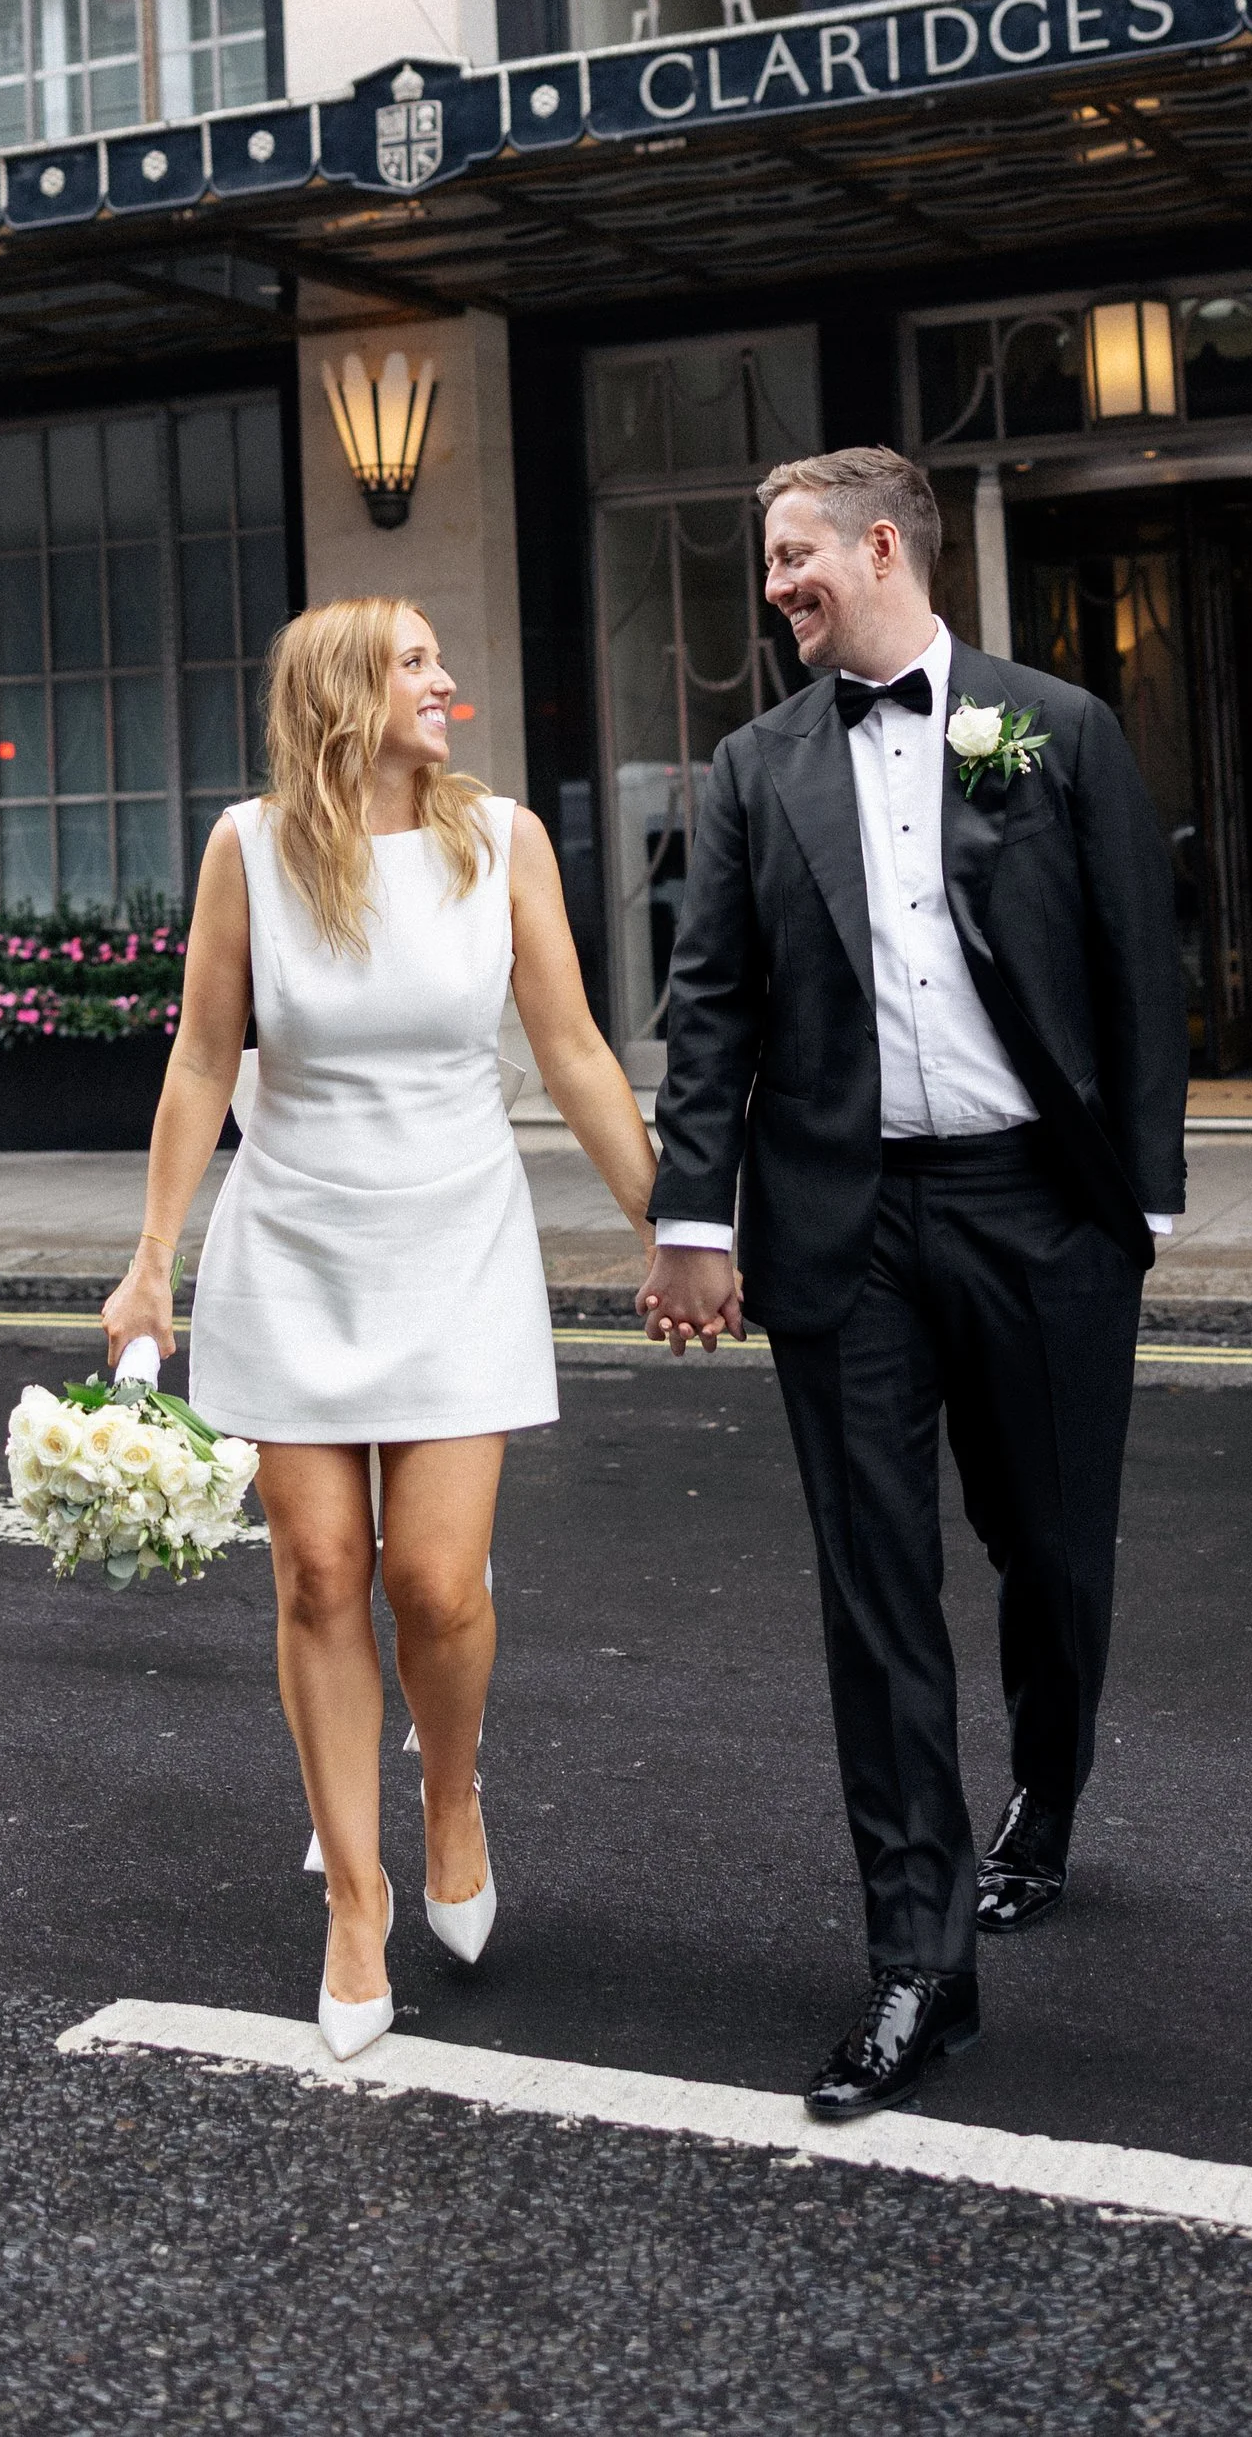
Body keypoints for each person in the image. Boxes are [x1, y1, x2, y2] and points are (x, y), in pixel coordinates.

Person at [642, 448, 1187, 2124]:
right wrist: (695, 1217)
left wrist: (1143, 1198)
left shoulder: (1057, 727)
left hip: (1040, 1206)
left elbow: (1132, 965)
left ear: (885, 546)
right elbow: (710, 1001)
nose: (777, 586)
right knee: (877, 1592)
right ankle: (917, 1962)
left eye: (797, 554)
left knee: (1050, 1545)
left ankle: (1050, 1793)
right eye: (769, 560)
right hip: (844, 1224)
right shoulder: (751, 769)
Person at [103, 594, 658, 2064]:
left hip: (456, 1245)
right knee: (318, 1575)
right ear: (345, 688)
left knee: (437, 1582)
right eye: (418, 659)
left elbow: (576, 1050)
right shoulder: (250, 850)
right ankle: (356, 1902)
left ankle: (450, 1790)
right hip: (293, 1247)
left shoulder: (506, 843)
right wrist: (150, 1259)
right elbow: (203, 1057)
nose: (448, 680)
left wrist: (675, 1223)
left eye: (440, 652)